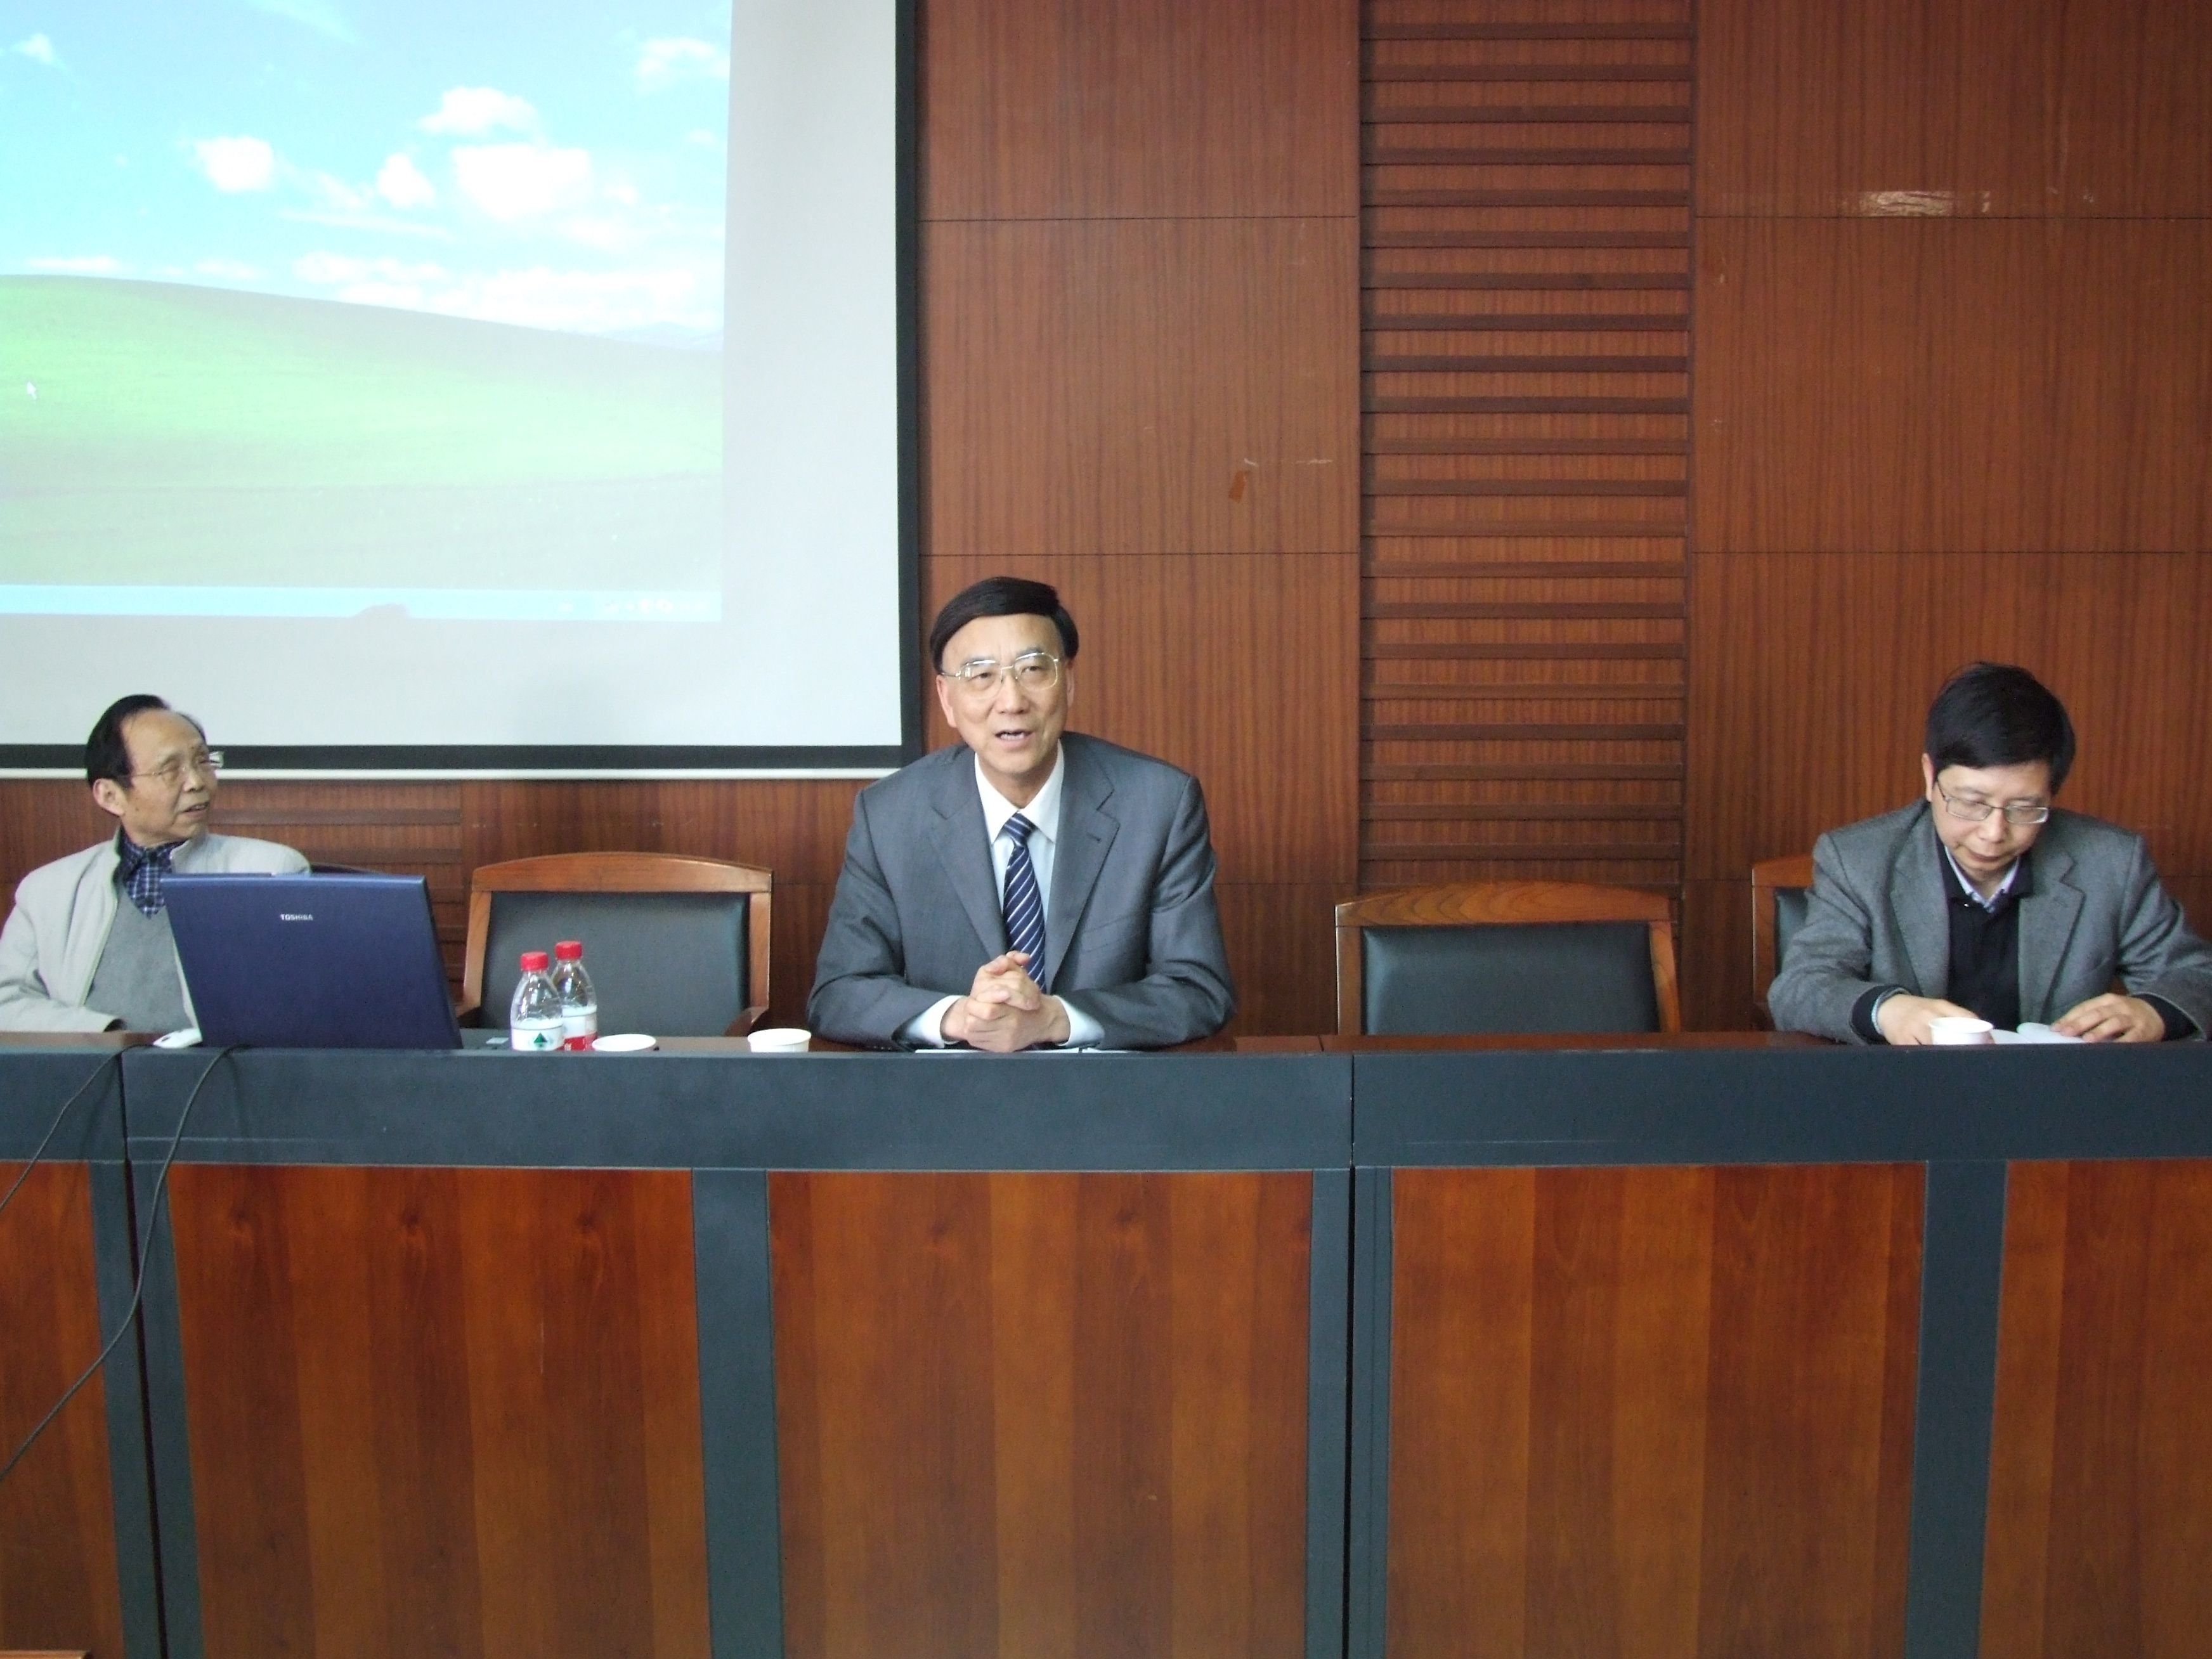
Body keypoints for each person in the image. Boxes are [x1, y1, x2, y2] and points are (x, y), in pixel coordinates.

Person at [809, 576, 1236, 1050]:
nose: (1011, 702)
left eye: (1033, 669)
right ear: (947, 699)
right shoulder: (889, 817)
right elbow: (839, 993)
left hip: (1105, 1090)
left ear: (1068, 682)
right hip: (949, 1089)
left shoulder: (1158, 805)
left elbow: (1198, 989)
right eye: (981, 675)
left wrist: (1056, 1019)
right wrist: (959, 1017)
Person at [1769, 663, 2212, 1045]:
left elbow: (2195, 976)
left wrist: (2154, 1012)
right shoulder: (1859, 860)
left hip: (2055, 1099)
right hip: (1905, 1096)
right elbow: (1801, 988)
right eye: (1970, 803)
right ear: (1930, 777)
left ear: (2052, 792)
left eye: (2025, 808)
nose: (1994, 833)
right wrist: (1888, 1011)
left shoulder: (2111, 863)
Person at [0, 695, 307, 1032]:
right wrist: (107, 1034)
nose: (197, 782)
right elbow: (7, 1001)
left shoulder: (271, 871)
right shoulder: (47, 891)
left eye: (203, 761)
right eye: (171, 770)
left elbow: (298, 998)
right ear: (110, 796)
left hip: (218, 1064)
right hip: (94, 1063)